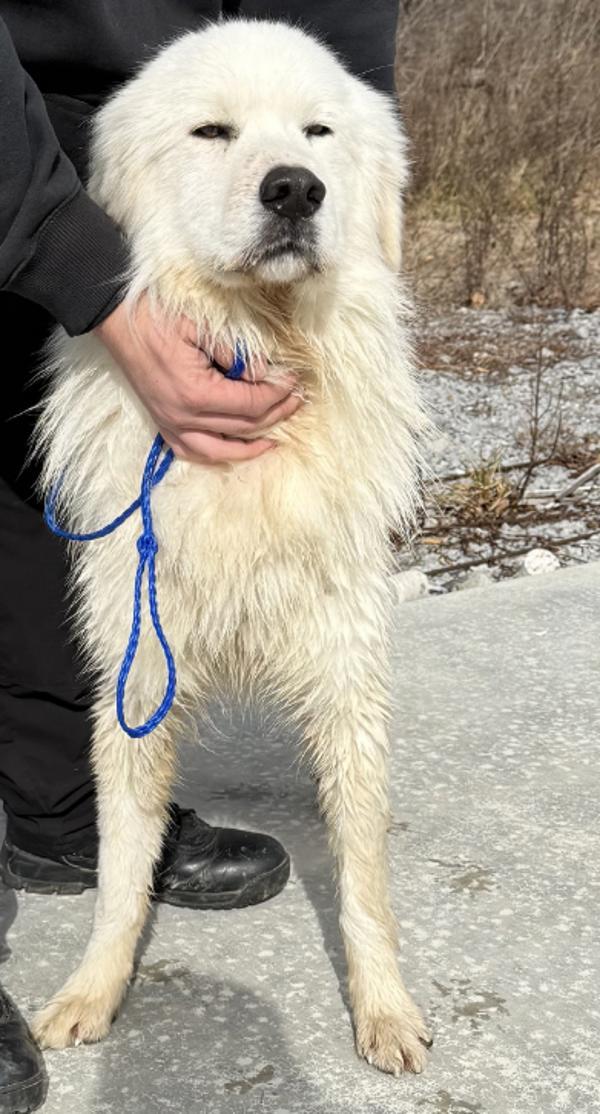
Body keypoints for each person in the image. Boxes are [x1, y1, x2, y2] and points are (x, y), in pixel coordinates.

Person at [0, 2, 398, 1109]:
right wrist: (85, 274)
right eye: (216, 133)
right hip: (23, 129)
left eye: (314, 140)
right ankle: (107, 941)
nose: (287, 174)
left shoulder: (343, 163)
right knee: (124, 692)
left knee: (345, 702)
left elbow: (353, 85)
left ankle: (374, 952)